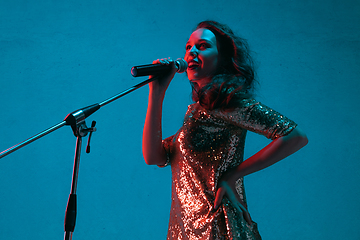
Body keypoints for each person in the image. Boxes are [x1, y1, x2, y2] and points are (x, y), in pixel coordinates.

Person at [142, 20, 308, 240]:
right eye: (188, 47)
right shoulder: (197, 113)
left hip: (216, 228)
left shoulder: (228, 101)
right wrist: (157, 92)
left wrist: (233, 174)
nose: (191, 52)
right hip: (184, 229)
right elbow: (154, 157)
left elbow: (295, 136)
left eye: (202, 46)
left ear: (221, 58)